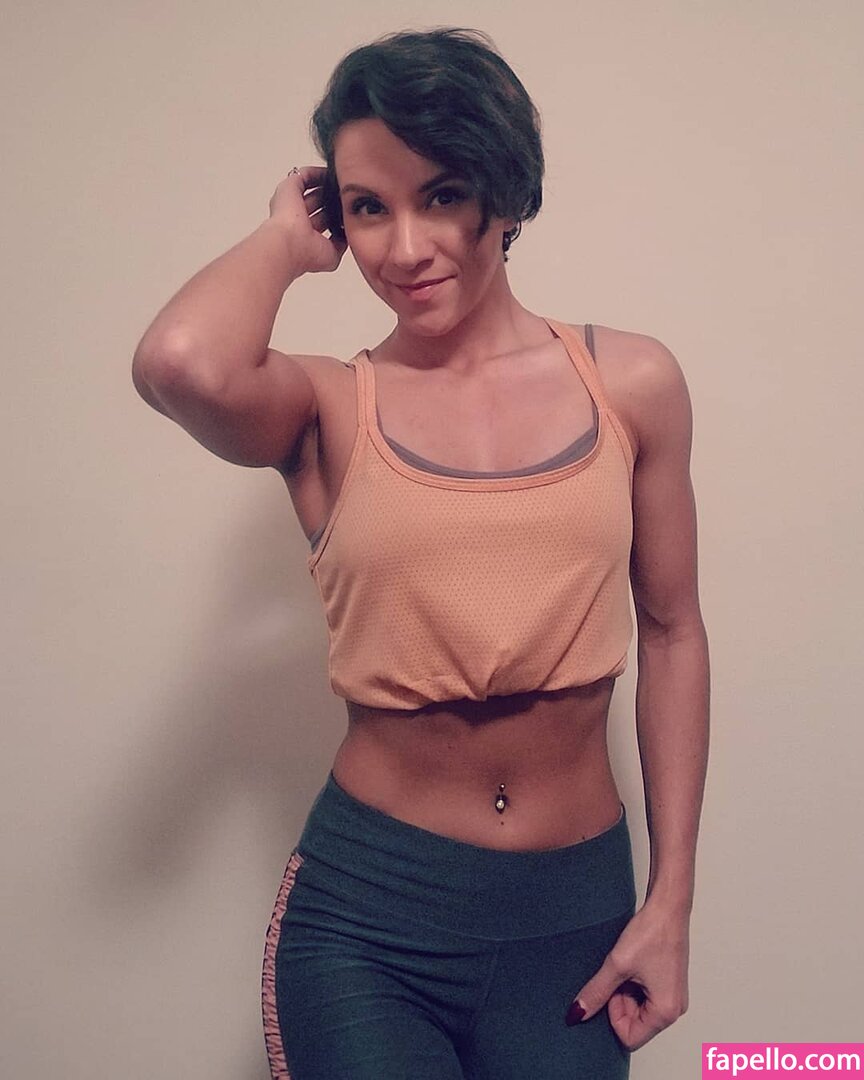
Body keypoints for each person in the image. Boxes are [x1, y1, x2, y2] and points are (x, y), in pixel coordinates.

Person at [131, 26, 710, 1080]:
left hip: (573, 917)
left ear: (507, 192)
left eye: (441, 195)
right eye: (368, 208)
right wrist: (284, 238)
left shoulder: (632, 384)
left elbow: (673, 634)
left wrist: (672, 901)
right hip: (369, 922)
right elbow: (180, 364)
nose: (403, 249)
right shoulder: (326, 404)